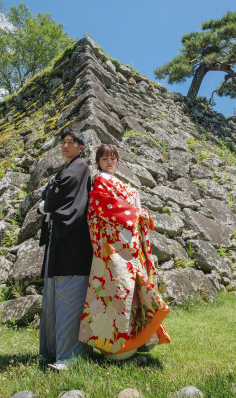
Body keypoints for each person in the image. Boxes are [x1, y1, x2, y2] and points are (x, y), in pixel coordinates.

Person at [79, 144, 171, 360]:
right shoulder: (100, 181)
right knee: (117, 294)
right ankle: (115, 349)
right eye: (104, 159)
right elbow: (101, 204)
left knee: (132, 294)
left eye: (112, 158)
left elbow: (129, 209)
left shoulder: (120, 183)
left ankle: (135, 343)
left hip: (128, 245)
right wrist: (135, 213)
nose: (109, 162)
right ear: (98, 162)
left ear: (118, 162)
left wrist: (139, 214)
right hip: (113, 249)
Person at [38, 128, 94, 371]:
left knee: (70, 295)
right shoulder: (69, 169)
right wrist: (48, 199)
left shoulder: (79, 168)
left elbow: (52, 197)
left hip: (73, 242)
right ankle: (55, 351)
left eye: (71, 142)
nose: (65, 145)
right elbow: (50, 193)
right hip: (61, 239)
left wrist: (46, 205)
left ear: (81, 147)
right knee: (58, 295)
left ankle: (70, 356)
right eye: (63, 142)